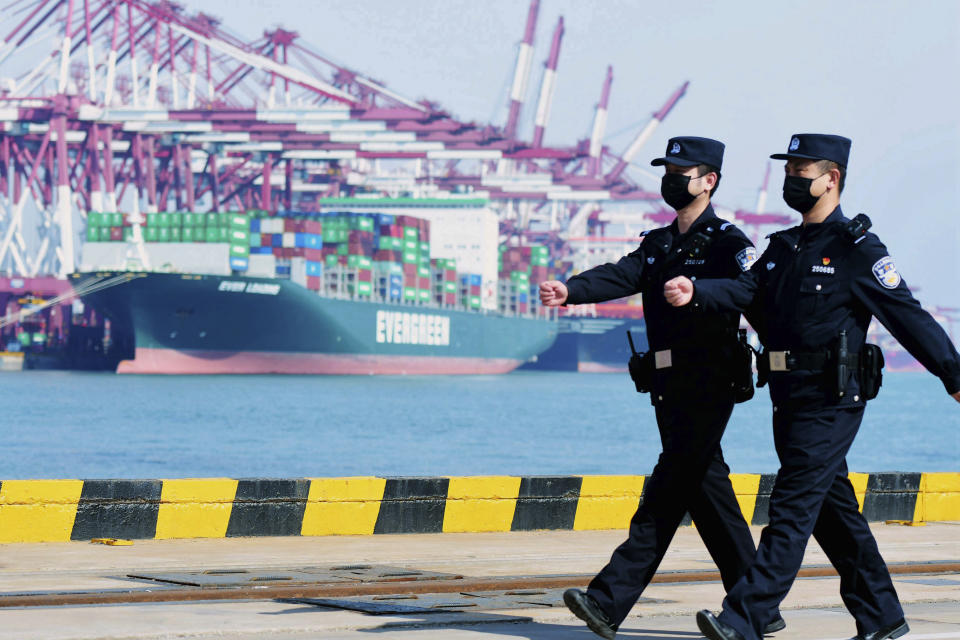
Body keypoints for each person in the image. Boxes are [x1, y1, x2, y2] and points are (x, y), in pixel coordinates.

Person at [663, 133, 960, 640]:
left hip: (833, 398)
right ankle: (883, 618)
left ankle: (745, 616)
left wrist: (953, 375)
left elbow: (907, 316)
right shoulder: (782, 248)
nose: (790, 182)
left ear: (831, 179)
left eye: (800, 174)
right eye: (788, 172)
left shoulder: (858, 250)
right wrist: (698, 291)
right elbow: (745, 290)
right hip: (788, 396)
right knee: (831, 508)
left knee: (793, 504)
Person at [540, 136, 785, 640]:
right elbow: (621, 274)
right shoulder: (659, 243)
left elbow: (753, 293)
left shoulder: (729, 243)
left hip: (710, 381)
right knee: (706, 488)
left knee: (668, 488)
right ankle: (758, 604)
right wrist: (571, 290)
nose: (671, 179)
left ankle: (607, 602)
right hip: (666, 383)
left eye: (682, 171)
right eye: (667, 170)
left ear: (708, 180)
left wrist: (702, 294)